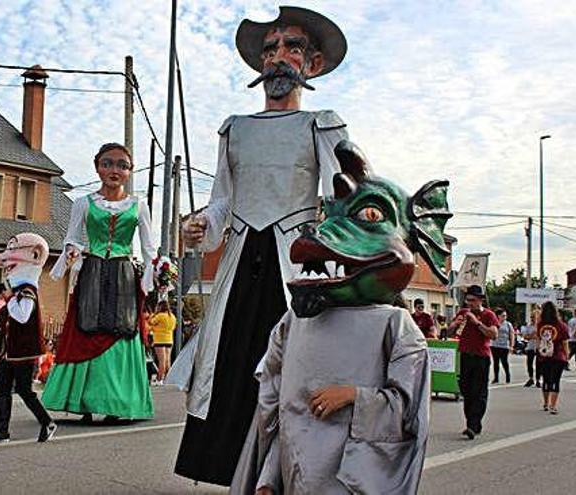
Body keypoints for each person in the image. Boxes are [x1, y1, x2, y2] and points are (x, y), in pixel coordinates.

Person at [173, 6, 350, 485]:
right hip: (240, 266)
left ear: (311, 65)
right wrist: (198, 226)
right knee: (232, 366)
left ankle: (288, 474)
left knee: (292, 370)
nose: (279, 57)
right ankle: (234, 471)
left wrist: (341, 237)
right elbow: (221, 204)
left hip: (295, 263)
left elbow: (345, 193)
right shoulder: (235, 128)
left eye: (292, 47)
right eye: (270, 49)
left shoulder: (321, 123)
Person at [231, 140, 443, 494]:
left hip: (350, 480)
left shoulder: (396, 326)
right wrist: (269, 476)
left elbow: (408, 413)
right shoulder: (292, 323)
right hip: (296, 474)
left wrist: (355, 396)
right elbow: (274, 409)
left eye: (370, 215)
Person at [43, 143, 155, 423]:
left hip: (123, 273)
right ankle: (84, 402)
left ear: (130, 171)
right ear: (97, 167)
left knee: (123, 329)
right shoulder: (83, 203)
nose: (114, 170)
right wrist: (70, 252)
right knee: (87, 327)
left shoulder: (139, 205)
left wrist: (153, 278)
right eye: (107, 163)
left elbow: (149, 248)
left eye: (121, 165)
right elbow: (72, 237)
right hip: (92, 270)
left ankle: (119, 404)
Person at [0, 232, 57, 444]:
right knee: (4, 390)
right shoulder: (18, 291)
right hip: (10, 352)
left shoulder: (27, 291)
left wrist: (9, 298)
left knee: (24, 391)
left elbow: (22, 316)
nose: (7, 261)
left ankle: (47, 422)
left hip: (24, 353)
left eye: (14, 252)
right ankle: (2, 431)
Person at [448, 285, 498, 440]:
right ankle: (473, 422)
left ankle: (472, 425)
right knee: (466, 390)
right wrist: (455, 324)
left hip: (481, 357)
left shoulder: (488, 315)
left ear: (480, 300)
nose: (469, 303)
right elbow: (449, 332)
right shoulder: (463, 312)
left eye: (472, 300)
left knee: (479, 391)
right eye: (467, 300)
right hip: (465, 355)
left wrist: (476, 322)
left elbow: (493, 334)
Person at [536, 301, 569, 414]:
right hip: (558, 355)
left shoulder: (541, 325)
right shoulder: (561, 325)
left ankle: (545, 403)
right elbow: (565, 342)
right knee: (555, 380)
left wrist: (539, 351)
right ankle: (553, 405)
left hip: (544, 356)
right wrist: (567, 355)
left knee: (545, 379)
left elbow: (538, 340)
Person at [148, 301, 176, 385]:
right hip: (169, 340)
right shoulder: (172, 317)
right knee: (168, 360)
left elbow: (151, 322)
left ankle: (159, 379)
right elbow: (173, 327)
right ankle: (168, 378)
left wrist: (153, 315)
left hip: (160, 340)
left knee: (161, 361)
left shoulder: (160, 316)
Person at [491, 308, 514, 384]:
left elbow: (511, 335)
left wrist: (511, 345)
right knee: (495, 362)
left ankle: (508, 376)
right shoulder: (494, 323)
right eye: (503, 316)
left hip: (504, 346)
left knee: (504, 361)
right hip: (495, 345)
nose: (505, 317)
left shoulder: (508, 324)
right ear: (498, 316)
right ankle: (496, 378)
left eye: (505, 316)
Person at [522, 309, 541, 387]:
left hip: (538, 347)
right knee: (529, 363)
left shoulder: (540, 326)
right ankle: (531, 378)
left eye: (534, 317)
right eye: (531, 317)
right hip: (530, 347)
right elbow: (525, 337)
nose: (532, 318)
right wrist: (531, 335)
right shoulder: (529, 326)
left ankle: (538, 379)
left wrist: (537, 335)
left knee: (538, 364)